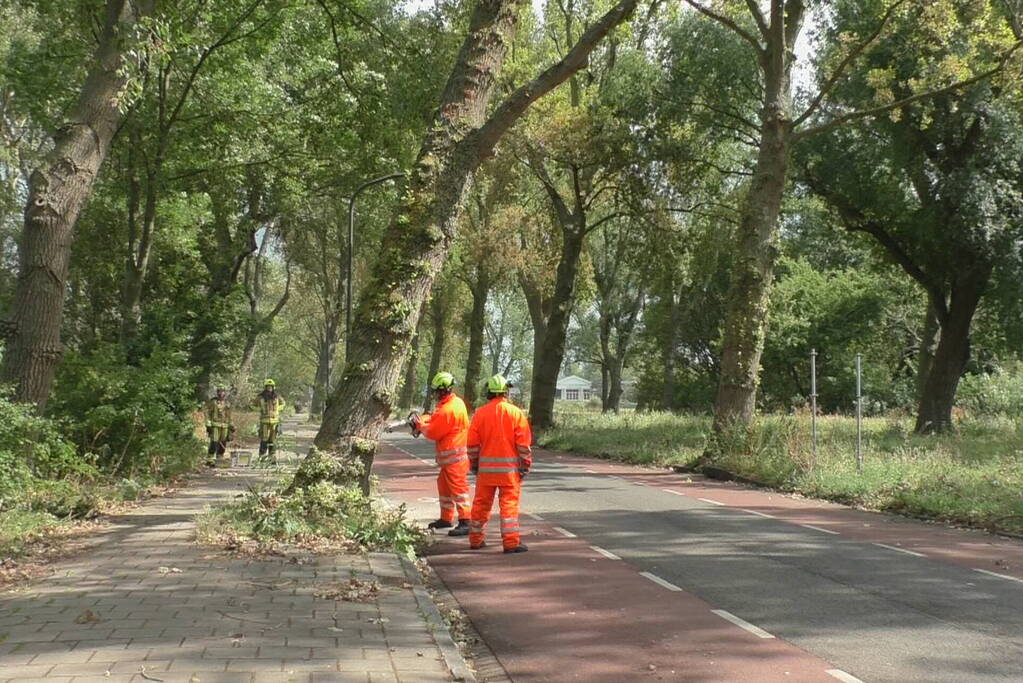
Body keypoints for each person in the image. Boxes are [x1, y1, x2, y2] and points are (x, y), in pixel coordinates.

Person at [466, 374, 533, 553]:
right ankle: (511, 543)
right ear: (506, 392)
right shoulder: (515, 413)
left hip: (486, 471)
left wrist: (474, 464)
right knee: (509, 506)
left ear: (489, 392)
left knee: (480, 505)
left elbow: (472, 444)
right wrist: (525, 466)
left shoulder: (480, 414)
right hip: (509, 473)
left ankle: (475, 539)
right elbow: (523, 445)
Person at [415, 372, 471, 536]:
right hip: (452, 458)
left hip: (454, 458)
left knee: (459, 490)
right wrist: (426, 419)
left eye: (435, 391)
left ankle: (466, 521)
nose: (434, 394)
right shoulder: (456, 403)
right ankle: (446, 518)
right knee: (445, 487)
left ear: (441, 390)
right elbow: (437, 418)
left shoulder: (448, 409)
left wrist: (420, 426)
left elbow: (433, 432)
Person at [204, 385, 234, 465]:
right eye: (219, 391)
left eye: (222, 391)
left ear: (225, 392)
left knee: (223, 442)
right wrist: (208, 423)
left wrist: (231, 425)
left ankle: (219, 457)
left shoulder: (227, 403)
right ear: (217, 392)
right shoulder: (213, 402)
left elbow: (229, 415)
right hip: (215, 425)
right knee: (214, 441)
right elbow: (207, 413)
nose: (221, 393)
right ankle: (210, 458)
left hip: (225, 426)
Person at [256, 379, 285, 458]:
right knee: (264, 438)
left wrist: (277, 409)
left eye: (271, 387)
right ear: (265, 387)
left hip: (275, 421)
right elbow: (252, 405)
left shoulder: (277, 396)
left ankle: (272, 456)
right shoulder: (260, 397)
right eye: (268, 387)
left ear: (273, 387)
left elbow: (283, 403)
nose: (269, 388)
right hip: (264, 421)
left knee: (273, 439)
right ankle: (262, 456)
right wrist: (259, 409)